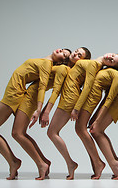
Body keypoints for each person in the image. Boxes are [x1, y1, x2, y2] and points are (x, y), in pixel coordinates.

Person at [0, 48, 71, 180]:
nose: (61, 51)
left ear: (61, 62)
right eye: (63, 50)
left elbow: (42, 87)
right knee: (19, 133)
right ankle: (42, 162)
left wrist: (40, 109)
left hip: (13, 95)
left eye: (64, 55)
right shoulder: (45, 62)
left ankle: (20, 162)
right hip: (18, 93)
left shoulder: (48, 65)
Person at [9, 47, 90, 180]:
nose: (74, 54)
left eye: (78, 55)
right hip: (31, 97)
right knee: (20, 133)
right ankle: (44, 162)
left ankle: (50, 164)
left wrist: (44, 111)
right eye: (75, 51)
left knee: (18, 133)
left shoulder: (64, 69)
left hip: (32, 99)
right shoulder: (63, 68)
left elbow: (55, 91)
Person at [47, 53, 118, 180]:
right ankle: (102, 162)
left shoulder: (100, 67)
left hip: (91, 97)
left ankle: (102, 163)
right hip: (88, 96)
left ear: (112, 66)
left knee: (81, 129)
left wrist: (76, 108)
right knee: (81, 129)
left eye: (112, 61)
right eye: (112, 56)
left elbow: (90, 86)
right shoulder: (98, 66)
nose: (109, 58)